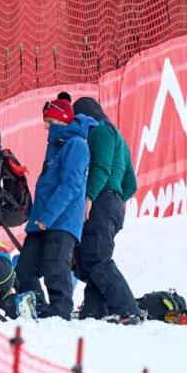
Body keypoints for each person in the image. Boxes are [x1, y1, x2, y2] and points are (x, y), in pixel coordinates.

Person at [14, 93, 97, 320]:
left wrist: (48, 216)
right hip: (42, 221)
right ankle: (36, 305)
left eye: (48, 122)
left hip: (61, 221)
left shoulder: (76, 145)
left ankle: (60, 313)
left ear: (60, 120)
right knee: (24, 269)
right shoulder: (57, 145)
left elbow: (70, 185)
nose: (45, 127)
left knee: (55, 269)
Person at [72, 97, 141, 324]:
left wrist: (90, 197)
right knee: (89, 259)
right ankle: (94, 310)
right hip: (112, 204)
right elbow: (131, 182)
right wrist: (118, 200)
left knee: (97, 258)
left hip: (100, 202)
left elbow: (100, 168)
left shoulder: (99, 131)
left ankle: (127, 309)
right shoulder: (119, 138)